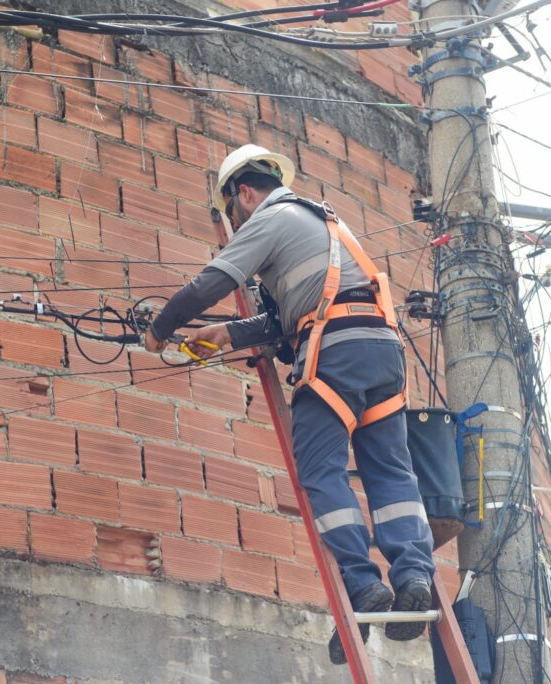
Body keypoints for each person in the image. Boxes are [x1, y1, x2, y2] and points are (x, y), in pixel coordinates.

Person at [144, 144, 435, 664]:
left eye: (234, 215)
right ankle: (413, 574)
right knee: (392, 474)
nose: (236, 225)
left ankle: (362, 581)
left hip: (335, 354)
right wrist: (229, 334)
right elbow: (284, 320)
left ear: (244, 194)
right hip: (383, 353)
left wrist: (161, 329)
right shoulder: (329, 224)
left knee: (323, 472)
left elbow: (212, 281)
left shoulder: (270, 215)